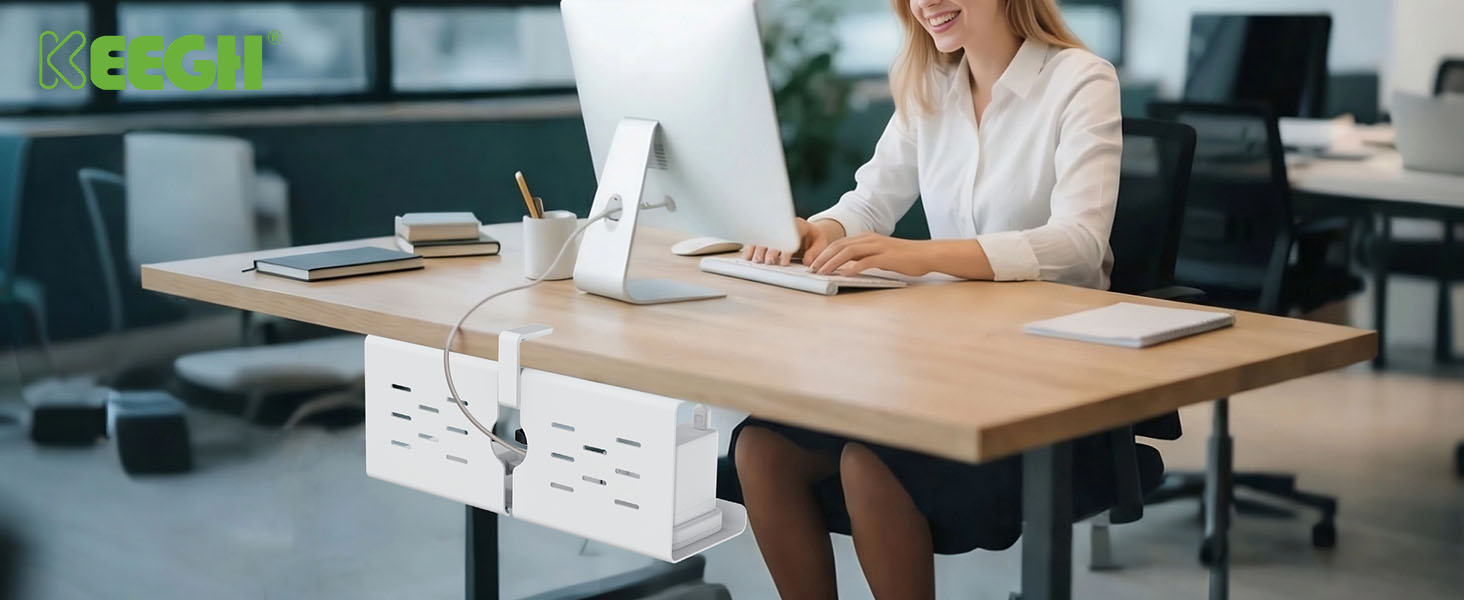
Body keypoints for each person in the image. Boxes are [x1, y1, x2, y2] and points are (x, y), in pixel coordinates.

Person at [732, 0, 1122, 597]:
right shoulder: (934, 85)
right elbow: (869, 201)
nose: (925, 4)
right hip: (947, 358)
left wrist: (925, 254)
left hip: (1040, 372)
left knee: (869, 462)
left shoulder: (1080, 80)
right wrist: (818, 230)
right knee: (761, 446)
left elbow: (1080, 242)